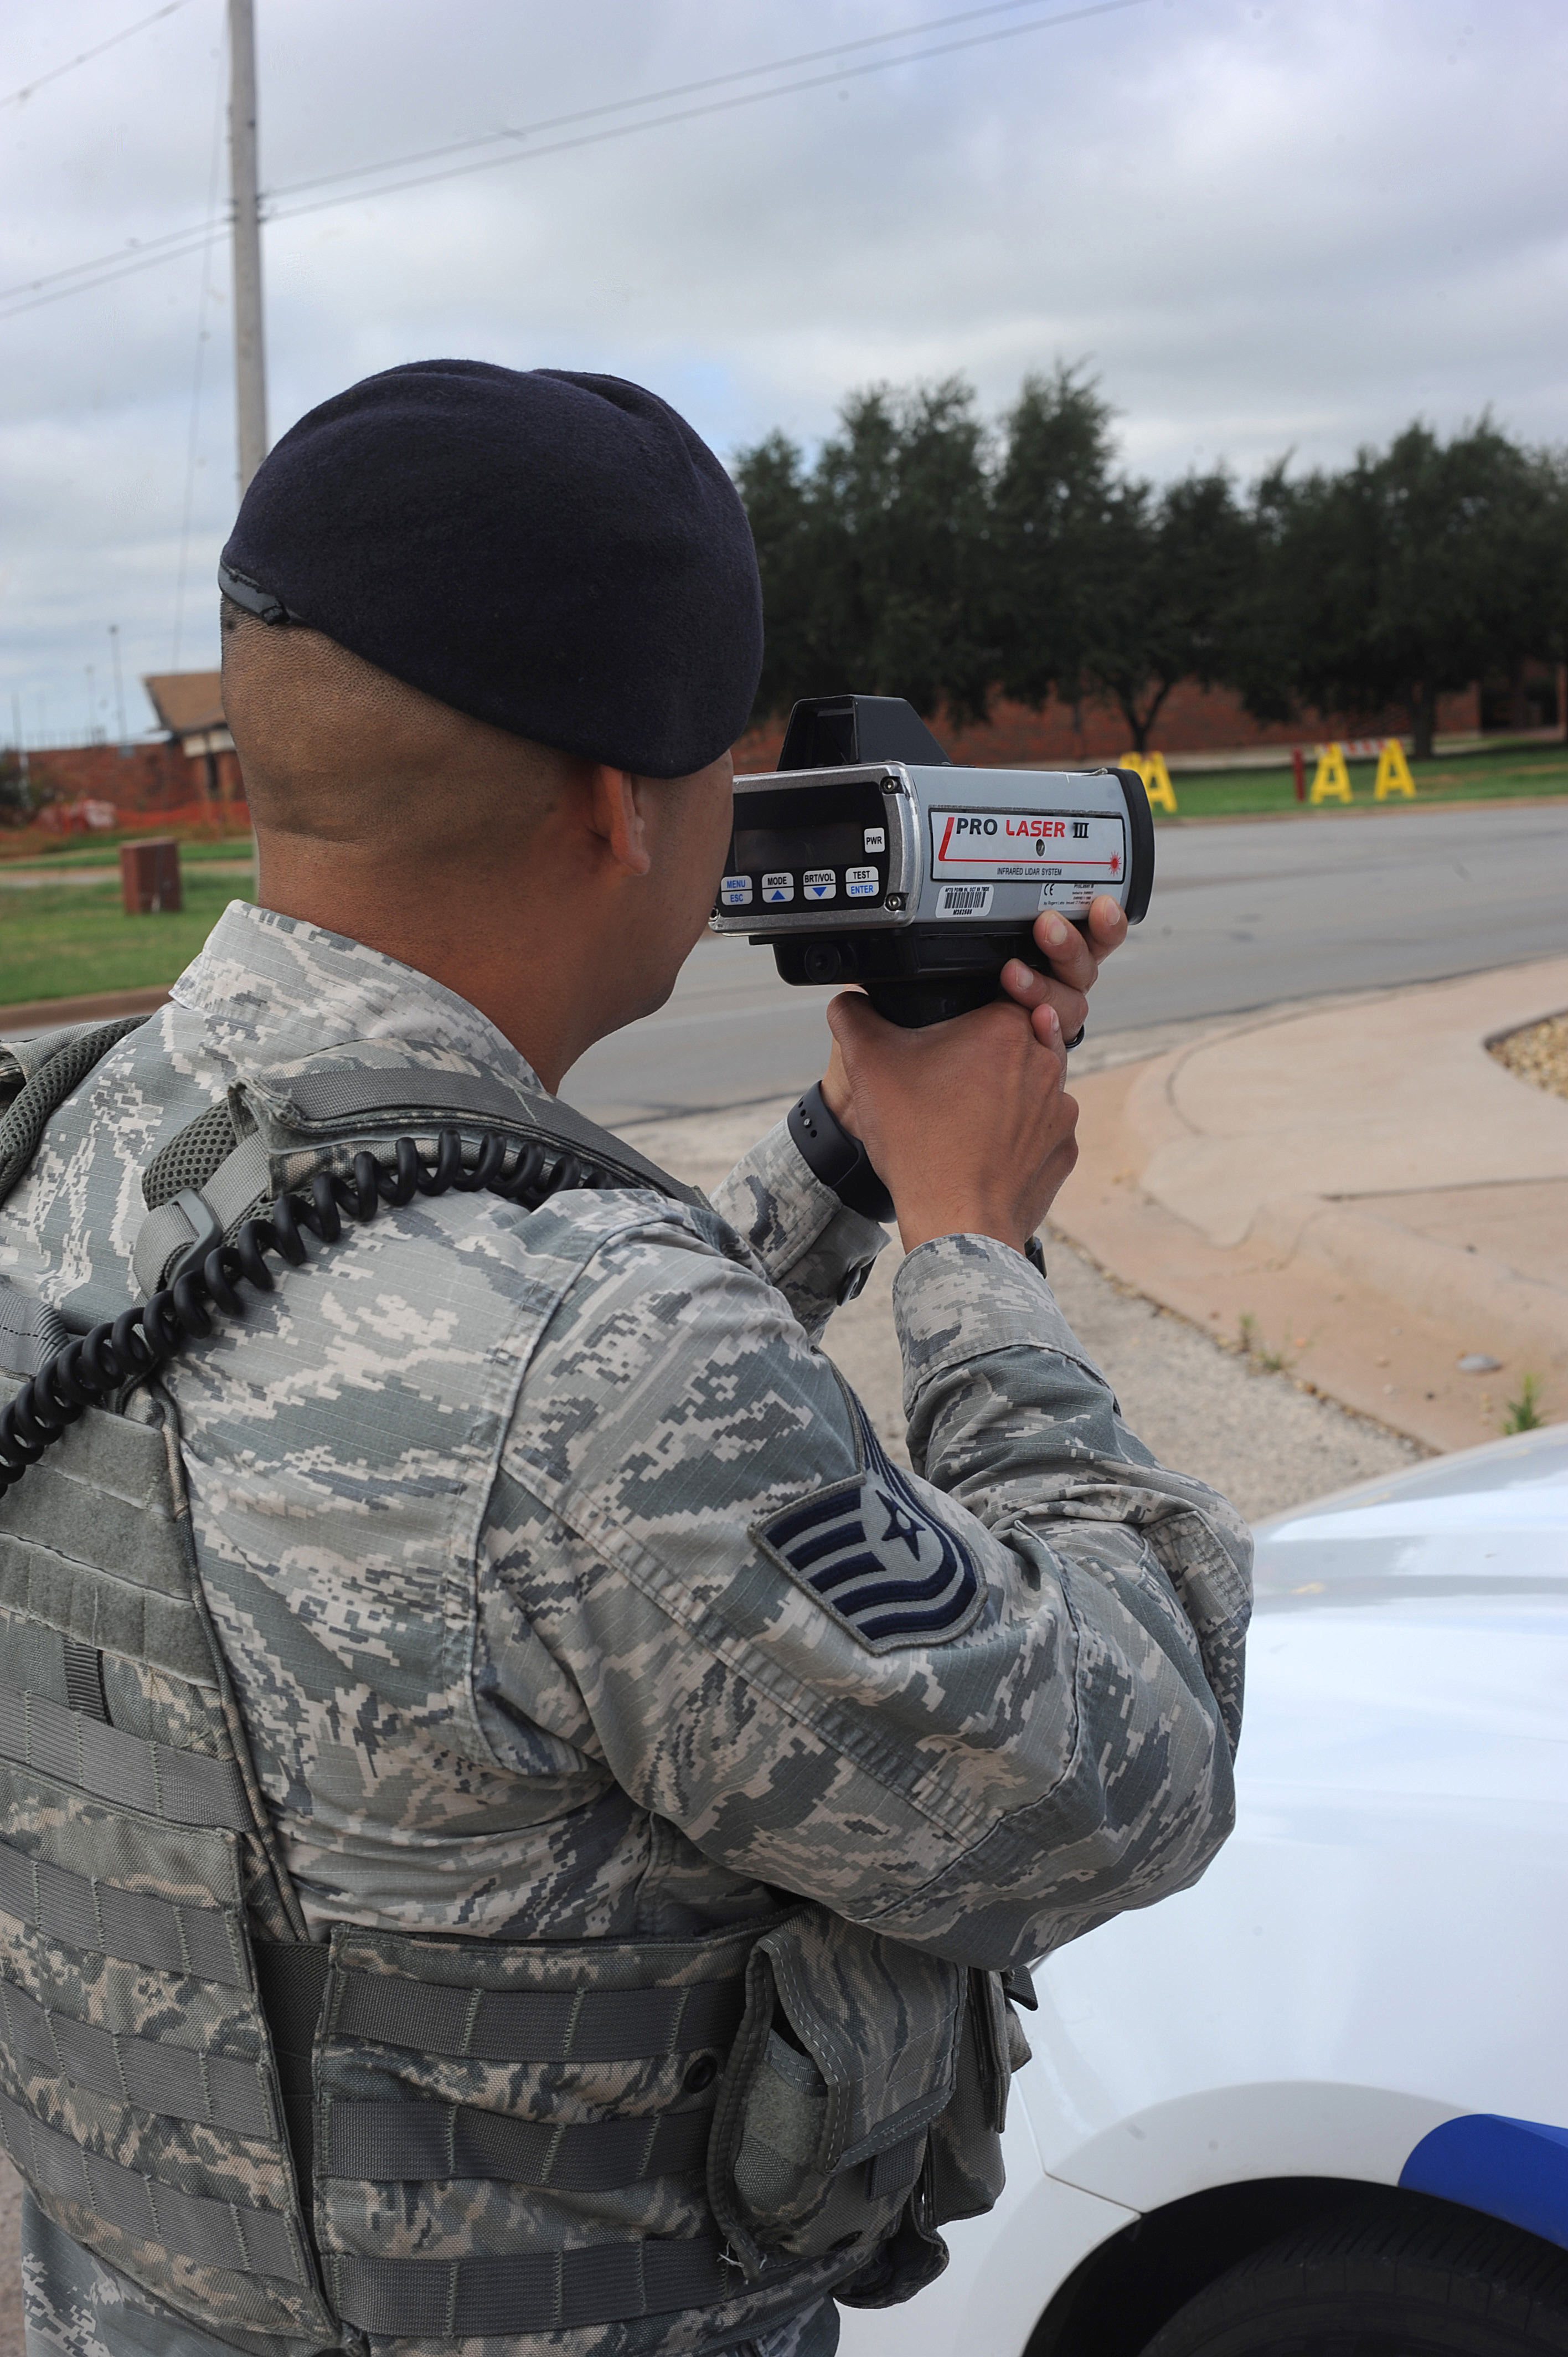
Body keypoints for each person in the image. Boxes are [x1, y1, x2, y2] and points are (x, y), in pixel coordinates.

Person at [0, 362, 1250, 2357]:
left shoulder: (69, 1144)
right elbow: (1130, 1771)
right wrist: (972, 1249)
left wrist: (844, 1157)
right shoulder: (605, 1365)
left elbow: (447, 1427)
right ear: (619, 803)